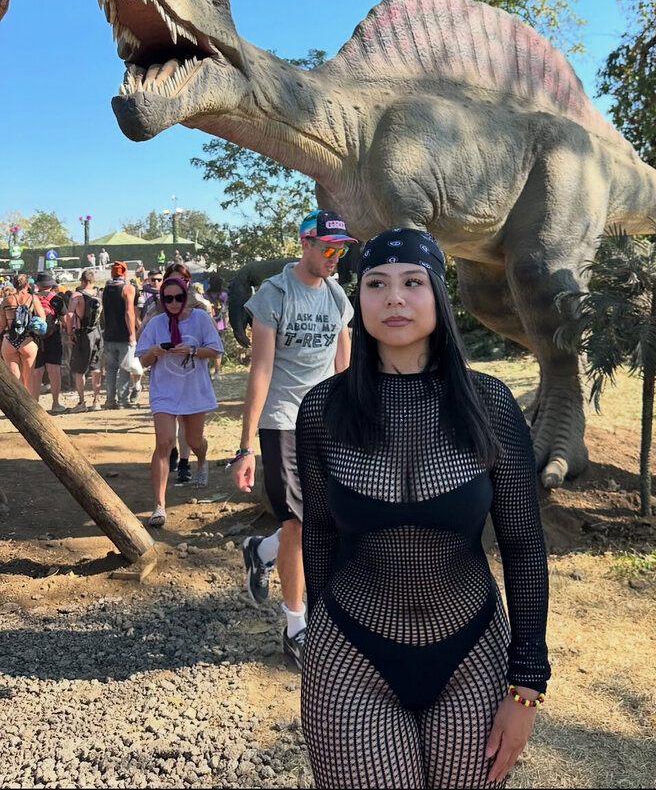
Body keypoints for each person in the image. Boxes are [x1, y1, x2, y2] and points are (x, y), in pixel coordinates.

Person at [295, 228, 550, 790]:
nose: (394, 298)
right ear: (358, 300)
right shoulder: (323, 409)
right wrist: (317, 639)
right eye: (376, 284)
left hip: (473, 655)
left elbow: (524, 545)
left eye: (413, 282)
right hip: (351, 654)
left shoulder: (490, 404)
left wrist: (527, 683)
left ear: (438, 293)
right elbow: (319, 532)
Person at [230, 209, 356, 670]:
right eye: (327, 247)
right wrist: (246, 447)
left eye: (340, 249)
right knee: (299, 525)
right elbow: (260, 370)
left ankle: (260, 551)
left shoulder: (338, 298)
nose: (335, 256)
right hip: (282, 420)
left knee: (319, 521)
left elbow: (344, 369)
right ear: (305, 244)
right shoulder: (274, 294)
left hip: (324, 422)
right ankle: (296, 627)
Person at [136, 274, 221, 526]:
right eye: (169, 299)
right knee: (164, 442)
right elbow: (143, 361)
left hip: (194, 390)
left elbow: (215, 350)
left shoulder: (200, 319)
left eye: (178, 298)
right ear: (163, 300)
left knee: (194, 440)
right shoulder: (156, 323)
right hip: (164, 391)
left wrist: (192, 350)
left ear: (186, 297)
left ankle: (202, 461)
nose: (174, 303)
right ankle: (159, 506)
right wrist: (154, 351)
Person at [0, 274, 46, 389]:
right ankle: (28, 399)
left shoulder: (6, 300)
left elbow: (2, 324)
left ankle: (17, 399)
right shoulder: (32, 298)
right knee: (29, 377)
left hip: (9, 340)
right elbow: (42, 318)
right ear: (28, 284)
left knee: (15, 379)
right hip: (27, 339)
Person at [31, 272, 68, 414]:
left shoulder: (32, 298)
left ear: (38, 285)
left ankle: (34, 404)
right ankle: (56, 403)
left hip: (35, 338)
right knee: (54, 370)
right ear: (51, 284)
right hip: (53, 337)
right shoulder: (57, 299)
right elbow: (65, 320)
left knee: (37, 372)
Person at [101, 260, 136, 410]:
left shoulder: (106, 289)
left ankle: (110, 400)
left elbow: (104, 312)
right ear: (125, 272)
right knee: (125, 368)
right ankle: (122, 400)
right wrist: (132, 333)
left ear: (112, 273)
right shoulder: (128, 288)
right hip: (123, 335)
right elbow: (129, 312)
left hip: (109, 334)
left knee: (110, 369)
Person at [68, 269, 103, 412]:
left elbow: (70, 315)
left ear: (81, 280)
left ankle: (81, 402)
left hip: (82, 334)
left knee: (79, 370)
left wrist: (70, 332)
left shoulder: (77, 295)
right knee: (96, 367)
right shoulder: (99, 294)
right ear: (93, 280)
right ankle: (96, 401)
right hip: (97, 332)